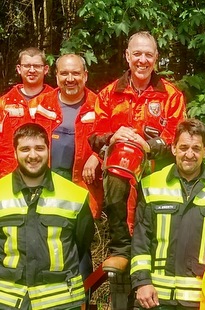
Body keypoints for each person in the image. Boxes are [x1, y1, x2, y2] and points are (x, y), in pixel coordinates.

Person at [89, 31, 186, 273]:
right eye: (137, 54)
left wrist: (149, 147)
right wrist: (112, 137)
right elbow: (94, 135)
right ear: (127, 56)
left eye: (148, 55)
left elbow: (176, 136)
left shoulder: (172, 96)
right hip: (118, 170)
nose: (142, 60)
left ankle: (155, 254)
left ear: (156, 58)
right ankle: (120, 249)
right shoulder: (108, 94)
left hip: (158, 169)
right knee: (117, 172)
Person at [130, 118, 205, 309]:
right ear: (173, 148)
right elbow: (141, 240)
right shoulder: (150, 184)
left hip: (203, 300)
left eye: (196, 148)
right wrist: (142, 282)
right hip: (155, 299)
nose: (189, 154)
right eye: (184, 147)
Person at [0, 123, 94, 309]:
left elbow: (81, 243)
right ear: (15, 152)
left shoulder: (75, 194)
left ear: (48, 150)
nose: (33, 155)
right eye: (25, 149)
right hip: (8, 303)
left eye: (39, 148)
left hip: (62, 303)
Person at [30, 53, 104, 220]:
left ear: (85, 76)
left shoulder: (100, 106)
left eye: (76, 73)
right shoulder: (39, 105)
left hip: (84, 188)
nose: (70, 78)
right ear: (56, 76)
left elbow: (112, 141)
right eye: (64, 73)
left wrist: (96, 157)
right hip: (43, 186)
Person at [0, 47, 54, 178]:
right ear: (19, 69)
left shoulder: (56, 101)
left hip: (48, 175)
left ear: (45, 69)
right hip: (10, 175)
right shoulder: (4, 103)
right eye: (27, 66)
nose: (31, 70)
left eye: (37, 66)